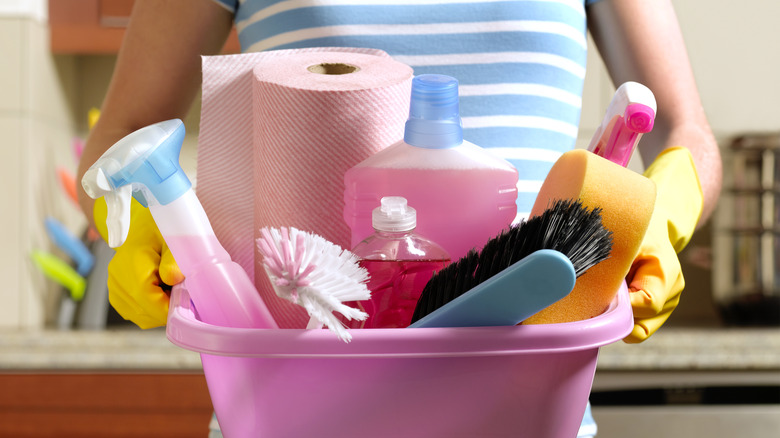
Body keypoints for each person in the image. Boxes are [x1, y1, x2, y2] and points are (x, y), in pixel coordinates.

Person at [76, 1, 722, 436]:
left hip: (525, 410)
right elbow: (125, 128)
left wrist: (664, 213)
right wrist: (149, 223)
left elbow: (683, 129)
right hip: (293, 406)